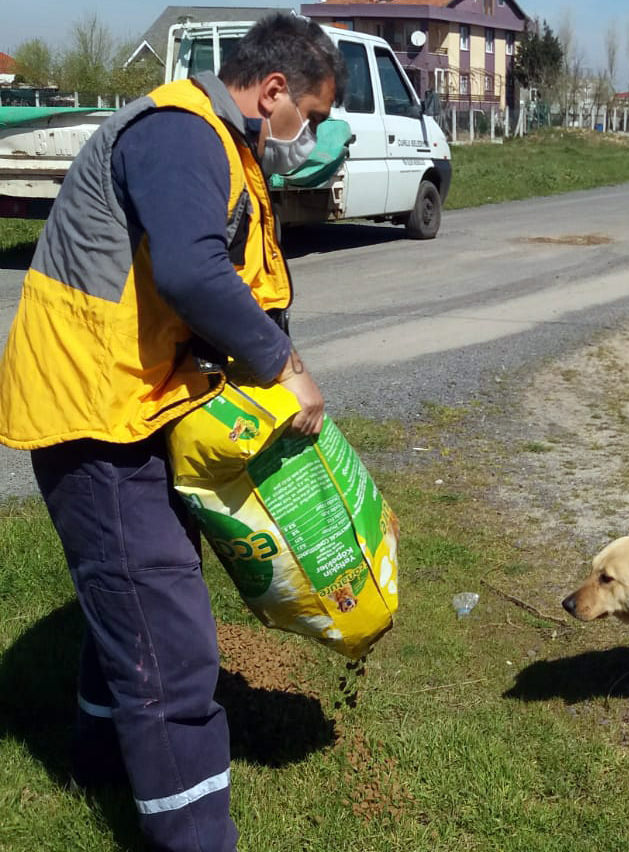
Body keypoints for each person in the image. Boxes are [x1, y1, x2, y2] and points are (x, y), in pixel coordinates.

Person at [0, 13, 345, 850]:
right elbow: (194, 269)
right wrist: (282, 364)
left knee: (133, 608)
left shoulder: (217, 142)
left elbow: (218, 277)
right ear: (272, 93)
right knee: (173, 646)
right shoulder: (182, 137)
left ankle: (98, 761)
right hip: (97, 421)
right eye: (318, 115)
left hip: (134, 406)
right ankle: (194, 836)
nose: (321, 133)